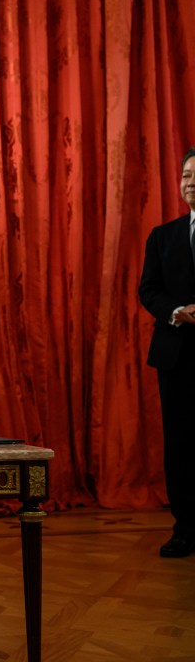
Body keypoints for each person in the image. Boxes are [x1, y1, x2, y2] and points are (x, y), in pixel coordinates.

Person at [138, 146, 195, 559]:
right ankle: (184, 529)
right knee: (179, 445)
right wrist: (176, 311)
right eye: (186, 176)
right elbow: (148, 290)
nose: (190, 183)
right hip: (176, 357)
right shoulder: (163, 235)